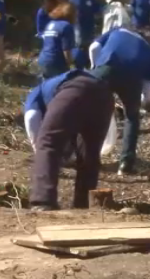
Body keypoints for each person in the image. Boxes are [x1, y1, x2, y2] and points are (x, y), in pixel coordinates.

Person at [25, 69, 115, 210]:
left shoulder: (35, 93)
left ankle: (43, 201)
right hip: (104, 94)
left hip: (74, 89)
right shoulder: (53, 87)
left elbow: (31, 118)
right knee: (89, 152)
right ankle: (83, 205)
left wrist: (38, 149)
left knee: (48, 142)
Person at [89, 26, 150, 175]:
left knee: (93, 112)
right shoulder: (149, 51)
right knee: (132, 118)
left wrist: (95, 66)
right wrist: (143, 102)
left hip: (106, 67)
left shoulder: (117, 31)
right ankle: (126, 163)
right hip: (132, 77)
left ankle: (89, 157)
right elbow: (149, 90)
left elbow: (94, 47)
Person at [69, 0, 104, 69]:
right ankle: (79, 64)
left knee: (89, 44)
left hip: (89, 25)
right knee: (79, 44)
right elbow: (69, 12)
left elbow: (98, 10)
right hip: (78, 26)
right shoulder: (73, 0)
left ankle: (89, 63)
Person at [38, 2, 75, 79]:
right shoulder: (66, 26)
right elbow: (66, 51)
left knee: (47, 86)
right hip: (56, 62)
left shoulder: (50, 24)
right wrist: (72, 66)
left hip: (43, 59)